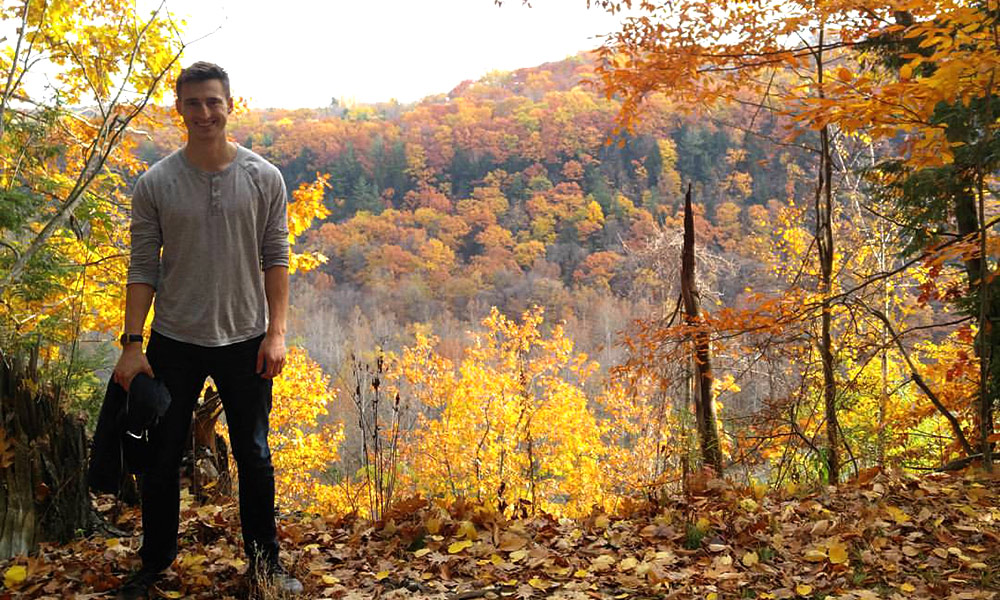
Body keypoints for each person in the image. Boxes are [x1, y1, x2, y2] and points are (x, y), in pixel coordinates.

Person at [112, 61, 303, 599]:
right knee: (161, 456)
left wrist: (277, 332)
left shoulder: (263, 177)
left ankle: (266, 565)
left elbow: (277, 257)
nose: (204, 112)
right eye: (193, 103)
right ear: (179, 109)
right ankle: (154, 565)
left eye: (213, 101)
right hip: (174, 339)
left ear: (229, 104)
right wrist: (132, 345)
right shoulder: (156, 183)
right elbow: (142, 266)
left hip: (247, 339)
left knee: (255, 456)